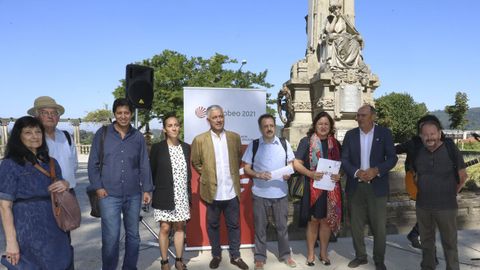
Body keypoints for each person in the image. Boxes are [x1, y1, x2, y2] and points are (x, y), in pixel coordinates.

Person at [87, 98, 153, 270]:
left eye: (126, 113)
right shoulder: (102, 134)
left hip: (133, 194)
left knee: (134, 236)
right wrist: (98, 187)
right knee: (111, 237)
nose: (123, 116)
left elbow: (144, 164)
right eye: (119, 113)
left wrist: (147, 189)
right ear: (114, 114)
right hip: (108, 195)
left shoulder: (138, 137)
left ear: (131, 114)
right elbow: (93, 163)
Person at [0, 116, 71, 269]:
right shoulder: (10, 164)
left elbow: (61, 185)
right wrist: (11, 242)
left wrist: (65, 183)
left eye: (38, 132)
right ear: (18, 137)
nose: (35, 136)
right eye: (28, 132)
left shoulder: (51, 162)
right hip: (26, 227)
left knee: (59, 263)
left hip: (54, 223)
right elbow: (4, 206)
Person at [191, 105, 249, 270]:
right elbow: (196, 161)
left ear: (224, 117)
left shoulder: (234, 138)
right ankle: (216, 255)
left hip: (231, 191)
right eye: (215, 117)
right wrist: (207, 174)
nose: (218, 120)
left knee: (234, 226)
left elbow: (237, 158)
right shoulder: (200, 140)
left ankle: (235, 256)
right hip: (212, 192)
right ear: (208, 119)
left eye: (221, 116)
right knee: (213, 225)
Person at [341, 105, 397, 270]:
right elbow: (344, 159)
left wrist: (376, 170)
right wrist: (357, 172)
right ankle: (360, 256)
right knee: (356, 225)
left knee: (379, 226)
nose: (359, 118)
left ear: (373, 116)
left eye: (363, 115)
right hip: (355, 186)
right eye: (358, 115)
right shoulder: (350, 135)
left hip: (376, 186)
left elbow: (392, 158)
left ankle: (379, 260)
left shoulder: (384, 133)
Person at [28, 95, 78, 269]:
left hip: (65, 196)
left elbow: (74, 164)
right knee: (43, 244)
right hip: (42, 199)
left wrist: (66, 184)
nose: (50, 116)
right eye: (45, 113)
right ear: (36, 116)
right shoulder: (32, 139)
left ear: (58, 117)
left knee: (65, 241)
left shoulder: (66, 136)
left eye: (53, 113)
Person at [242, 114, 297, 270]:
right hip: (260, 194)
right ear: (261, 128)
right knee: (260, 228)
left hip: (280, 194)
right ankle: (260, 258)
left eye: (271, 125)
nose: (269, 129)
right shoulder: (255, 145)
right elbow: (246, 167)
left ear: (275, 126)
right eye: (265, 126)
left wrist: (289, 173)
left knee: (282, 227)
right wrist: (258, 174)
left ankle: (285, 255)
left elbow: (291, 164)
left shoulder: (284, 143)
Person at [413, 116, 467, 270]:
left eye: (432, 134)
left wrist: (450, 194)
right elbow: (416, 177)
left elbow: (463, 177)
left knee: (450, 244)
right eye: (425, 134)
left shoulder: (451, 149)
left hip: (446, 207)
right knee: (427, 243)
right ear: (421, 136)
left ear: (439, 133)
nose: (429, 137)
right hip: (423, 207)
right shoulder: (419, 153)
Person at [293, 111, 342, 267]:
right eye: (320, 123)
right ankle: (311, 254)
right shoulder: (306, 142)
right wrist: (310, 174)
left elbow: (341, 165)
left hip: (331, 189)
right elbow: (296, 163)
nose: (323, 126)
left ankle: (323, 253)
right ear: (315, 125)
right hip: (312, 187)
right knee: (313, 221)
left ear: (330, 126)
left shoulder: (335, 143)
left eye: (326, 124)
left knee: (326, 222)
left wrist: (339, 175)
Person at [150, 114, 191, 270]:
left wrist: (188, 194)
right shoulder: (157, 148)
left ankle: (179, 260)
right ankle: (165, 261)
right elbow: (152, 171)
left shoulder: (186, 147)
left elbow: (188, 173)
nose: (174, 128)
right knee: (165, 228)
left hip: (181, 195)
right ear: (164, 129)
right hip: (164, 193)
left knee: (180, 227)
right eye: (170, 125)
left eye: (176, 125)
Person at [319, 0, 368, 72]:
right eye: (335, 8)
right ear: (332, 10)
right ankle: (335, 64)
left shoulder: (344, 18)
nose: (337, 10)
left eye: (338, 8)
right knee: (341, 39)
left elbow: (351, 30)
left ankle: (358, 63)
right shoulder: (330, 18)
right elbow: (329, 31)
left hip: (346, 36)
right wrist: (335, 18)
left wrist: (357, 36)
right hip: (336, 37)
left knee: (355, 42)